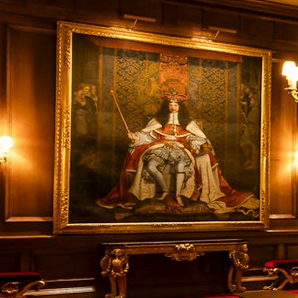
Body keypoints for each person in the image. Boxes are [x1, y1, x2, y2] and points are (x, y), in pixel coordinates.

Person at [98, 88, 253, 215]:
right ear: (167, 106)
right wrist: (135, 137)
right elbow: (146, 135)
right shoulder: (158, 121)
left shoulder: (188, 123)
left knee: (181, 165)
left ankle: (179, 194)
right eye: (171, 104)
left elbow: (200, 138)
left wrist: (195, 144)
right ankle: (164, 191)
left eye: (176, 104)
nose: (173, 106)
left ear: (180, 107)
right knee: (150, 164)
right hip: (159, 148)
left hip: (180, 150)